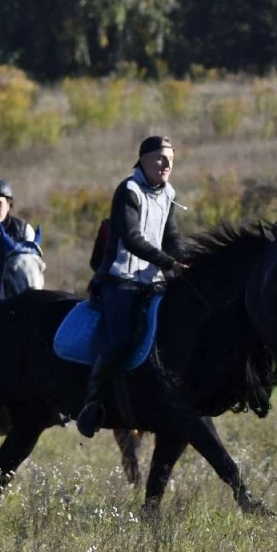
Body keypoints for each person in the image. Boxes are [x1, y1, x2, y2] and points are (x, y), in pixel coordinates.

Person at [76, 135, 186, 438]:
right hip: (119, 281)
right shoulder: (129, 190)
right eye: (160, 159)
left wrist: (186, 261)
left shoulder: (169, 192)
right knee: (121, 338)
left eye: (170, 160)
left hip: (152, 282)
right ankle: (93, 402)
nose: (166, 165)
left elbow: (172, 237)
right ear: (144, 160)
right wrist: (167, 262)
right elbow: (131, 238)